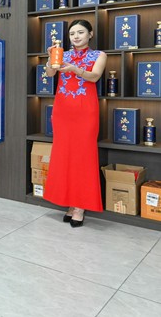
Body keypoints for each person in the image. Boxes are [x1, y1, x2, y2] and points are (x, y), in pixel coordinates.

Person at [43, 19, 106, 227]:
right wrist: (50, 58)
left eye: (80, 32)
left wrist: (75, 69)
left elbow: (94, 77)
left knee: (83, 157)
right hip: (62, 111)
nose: (76, 37)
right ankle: (69, 203)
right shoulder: (63, 54)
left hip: (85, 111)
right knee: (64, 156)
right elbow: (50, 73)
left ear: (90, 34)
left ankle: (80, 206)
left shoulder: (99, 55)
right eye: (72, 34)